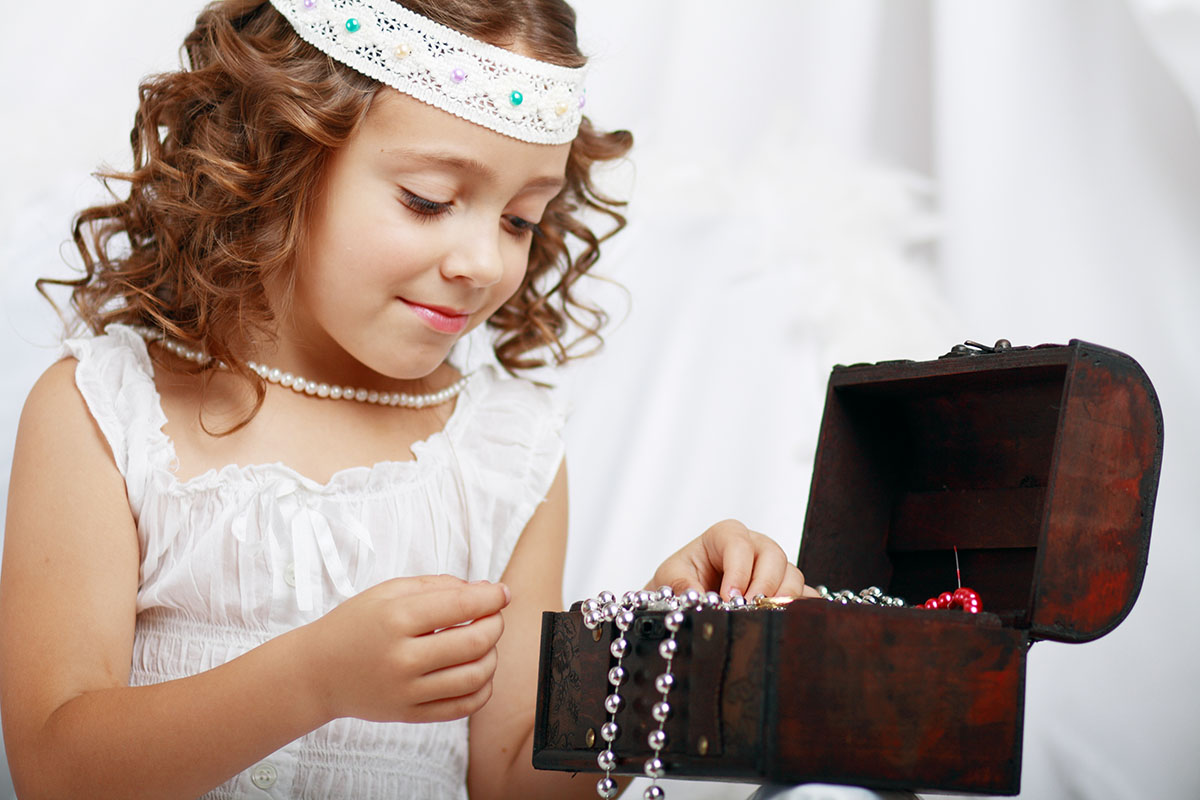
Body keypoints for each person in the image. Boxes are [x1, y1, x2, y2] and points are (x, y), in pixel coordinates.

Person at [0, 0, 812, 797]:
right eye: (428, 199)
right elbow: (53, 768)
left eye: (521, 220)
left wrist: (664, 651)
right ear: (283, 153)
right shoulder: (107, 411)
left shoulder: (505, 451)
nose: (483, 264)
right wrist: (313, 680)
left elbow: (509, 776)